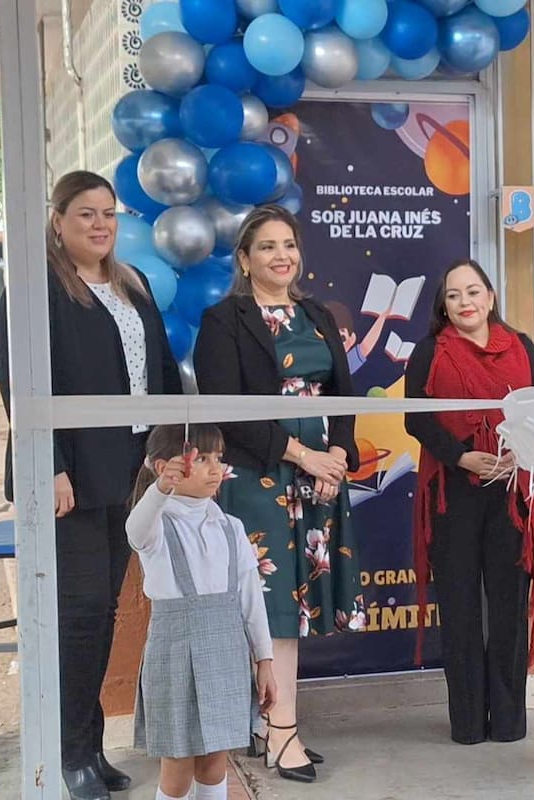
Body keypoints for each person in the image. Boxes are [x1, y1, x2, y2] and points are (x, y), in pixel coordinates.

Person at [0, 170, 182, 800]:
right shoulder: (35, 287)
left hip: (128, 470)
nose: (100, 225)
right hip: (69, 474)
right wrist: (48, 466)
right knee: (76, 617)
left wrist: (165, 453)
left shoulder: (135, 284)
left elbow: (159, 374)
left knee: (103, 614)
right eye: (85, 215)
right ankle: (65, 753)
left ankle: (90, 748)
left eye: (108, 214)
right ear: (57, 220)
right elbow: (20, 385)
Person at [193, 204, 362, 784]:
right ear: (245, 259)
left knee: (297, 611)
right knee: (275, 613)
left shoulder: (315, 314)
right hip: (261, 480)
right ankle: (283, 728)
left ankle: (272, 725)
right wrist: (302, 455)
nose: (281, 255)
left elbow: (345, 394)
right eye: (267, 246)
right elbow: (228, 411)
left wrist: (337, 456)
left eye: (288, 244)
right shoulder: (225, 320)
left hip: (320, 481)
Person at [404, 259, 534, 745]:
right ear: (443, 306)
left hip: (511, 494)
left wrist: (520, 454)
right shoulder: (430, 352)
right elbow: (416, 421)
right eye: (453, 295)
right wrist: (462, 457)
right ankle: (466, 723)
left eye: (473, 292)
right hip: (453, 495)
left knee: (509, 610)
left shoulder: (521, 347)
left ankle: (509, 722)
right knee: (462, 611)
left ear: (490, 296)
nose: (465, 303)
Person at [126, 424, 277, 800]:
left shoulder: (231, 526)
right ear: (165, 467)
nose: (216, 469)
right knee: (177, 768)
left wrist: (265, 659)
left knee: (214, 761)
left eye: (219, 459)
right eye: (203, 459)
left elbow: (250, 599)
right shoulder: (157, 527)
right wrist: (159, 489)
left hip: (226, 652)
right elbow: (135, 529)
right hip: (175, 654)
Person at [323, 299, 391, 375]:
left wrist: (382, 318)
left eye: (342, 338)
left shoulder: (345, 365)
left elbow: (365, 347)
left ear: (352, 339)